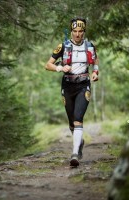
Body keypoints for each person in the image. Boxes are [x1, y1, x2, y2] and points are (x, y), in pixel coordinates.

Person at [44, 18, 99, 167]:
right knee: (71, 122)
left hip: (83, 85)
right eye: (75, 31)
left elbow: (95, 61)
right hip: (67, 86)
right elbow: (47, 64)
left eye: (80, 31)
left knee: (78, 118)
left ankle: (75, 154)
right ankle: (79, 142)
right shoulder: (63, 46)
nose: (77, 34)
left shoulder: (90, 46)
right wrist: (60, 68)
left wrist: (95, 72)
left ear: (84, 32)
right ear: (71, 31)